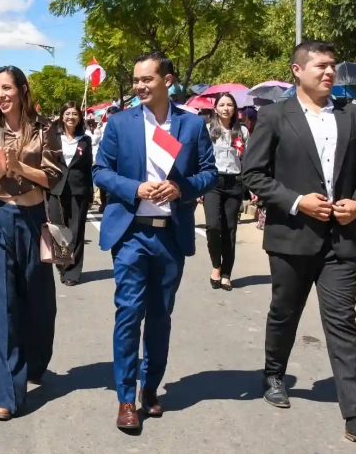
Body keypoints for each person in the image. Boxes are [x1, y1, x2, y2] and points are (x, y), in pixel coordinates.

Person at [241, 40, 356, 446]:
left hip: (341, 240)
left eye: (332, 67)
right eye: (321, 66)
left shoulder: (353, 117)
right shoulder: (273, 116)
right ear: (297, 70)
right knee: (284, 312)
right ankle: (274, 373)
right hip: (292, 238)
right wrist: (296, 201)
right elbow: (252, 175)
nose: (329, 73)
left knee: (342, 323)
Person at [93, 51, 217, 431]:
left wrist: (181, 188)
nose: (139, 86)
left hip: (170, 236)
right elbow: (100, 171)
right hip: (131, 233)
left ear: (168, 80)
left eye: (147, 79)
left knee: (160, 316)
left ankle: (151, 387)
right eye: (136, 81)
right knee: (129, 312)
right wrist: (134, 187)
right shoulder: (120, 123)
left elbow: (209, 173)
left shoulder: (191, 125)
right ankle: (126, 398)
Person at [0, 65, 62, 421]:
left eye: (7, 88)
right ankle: (5, 393)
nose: (1, 95)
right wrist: (0, 168)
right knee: (0, 306)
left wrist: (20, 167)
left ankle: (35, 363)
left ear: (23, 90)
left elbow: (53, 178)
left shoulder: (45, 130)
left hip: (34, 221)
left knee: (40, 307)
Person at [202, 92, 248, 291]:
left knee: (230, 229)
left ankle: (227, 273)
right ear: (215, 108)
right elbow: (200, 159)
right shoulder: (207, 130)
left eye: (230, 104)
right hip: (213, 182)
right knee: (213, 226)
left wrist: (251, 187)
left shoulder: (243, 131)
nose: (226, 108)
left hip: (234, 182)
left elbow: (248, 159)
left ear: (234, 109)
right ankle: (216, 266)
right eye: (222, 104)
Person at [49, 101, 93, 286]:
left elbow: (88, 168)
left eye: (74, 114)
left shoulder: (85, 140)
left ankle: (72, 272)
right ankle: (63, 263)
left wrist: (90, 193)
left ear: (80, 117)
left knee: (75, 231)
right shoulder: (53, 137)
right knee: (58, 230)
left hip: (78, 190)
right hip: (56, 189)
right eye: (67, 113)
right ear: (61, 115)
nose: (70, 117)